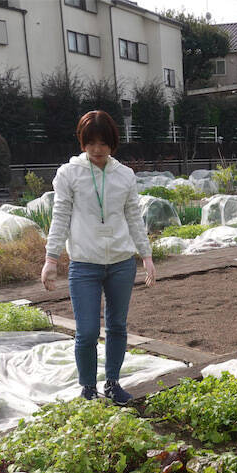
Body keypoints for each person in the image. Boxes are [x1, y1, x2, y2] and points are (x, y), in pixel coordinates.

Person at [41, 110, 156, 404]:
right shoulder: (69, 174)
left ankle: (113, 383)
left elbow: (134, 217)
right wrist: (51, 259)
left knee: (117, 326)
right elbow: (60, 216)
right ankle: (88, 388)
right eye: (90, 142)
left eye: (103, 143)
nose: (96, 149)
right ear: (82, 142)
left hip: (121, 262)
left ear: (112, 143)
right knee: (88, 330)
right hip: (84, 264)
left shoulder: (124, 175)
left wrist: (146, 255)